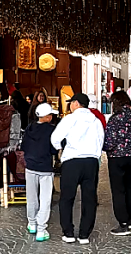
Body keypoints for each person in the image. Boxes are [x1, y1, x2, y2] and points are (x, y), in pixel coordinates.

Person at [50, 93, 105, 245]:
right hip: (91, 162)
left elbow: (55, 138)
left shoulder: (70, 119)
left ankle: (68, 233)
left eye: (71, 103)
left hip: (72, 161)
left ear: (75, 103)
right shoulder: (95, 121)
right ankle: (84, 235)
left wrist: (61, 150)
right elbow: (101, 140)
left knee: (67, 198)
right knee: (89, 199)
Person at [103, 91, 131, 236]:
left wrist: (106, 148)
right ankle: (130, 218)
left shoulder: (114, 120)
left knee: (118, 190)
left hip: (117, 158)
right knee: (130, 187)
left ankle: (122, 223)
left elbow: (109, 142)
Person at [21, 103, 59, 241]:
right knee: (45, 200)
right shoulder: (51, 130)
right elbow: (54, 149)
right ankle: (41, 230)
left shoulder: (29, 128)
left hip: (30, 167)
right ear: (48, 117)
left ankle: (32, 224)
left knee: (31, 198)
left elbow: (23, 146)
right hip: (45, 169)